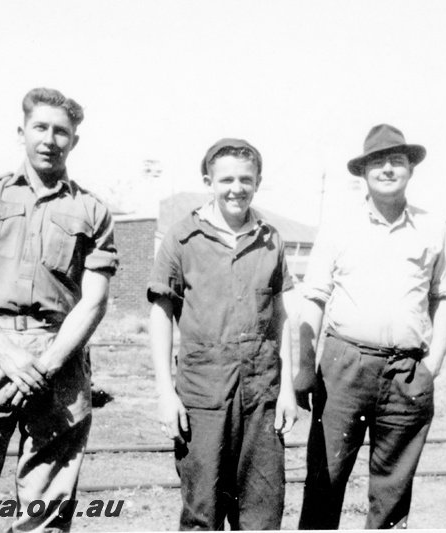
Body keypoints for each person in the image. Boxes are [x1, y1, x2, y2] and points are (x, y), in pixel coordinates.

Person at [0, 88, 118, 532]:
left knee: (45, 511)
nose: (50, 139)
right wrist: (6, 353)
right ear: (22, 132)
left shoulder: (92, 210)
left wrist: (48, 364)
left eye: (62, 132)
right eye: (41, 128)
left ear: (75, 141)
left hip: (60, 356)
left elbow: (95, 299)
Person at [296, 124, 446, 529]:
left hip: (407, 371)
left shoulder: (434, 228)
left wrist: (431, 365)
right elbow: (314, 297)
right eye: (378, 162)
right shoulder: (338, 225)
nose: (388, 169)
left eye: (397, 161)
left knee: (392, 492)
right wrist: (304, 366)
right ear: (364, 173)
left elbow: (443, 297)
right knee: (324, 482)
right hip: (343, 368)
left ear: (411, 170)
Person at [148, 138, 298, 530]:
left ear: (258, 182)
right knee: (203, 512)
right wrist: (165, 394)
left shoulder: (272, 240)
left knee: (262, 513)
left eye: (246, 179)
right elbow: (161, 316)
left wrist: (287, 390)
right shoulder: (182, 238)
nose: (237, 188)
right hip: (203, 396)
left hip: (262, 396)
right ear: (208, 181)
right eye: (226, 179)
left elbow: (281, 317)